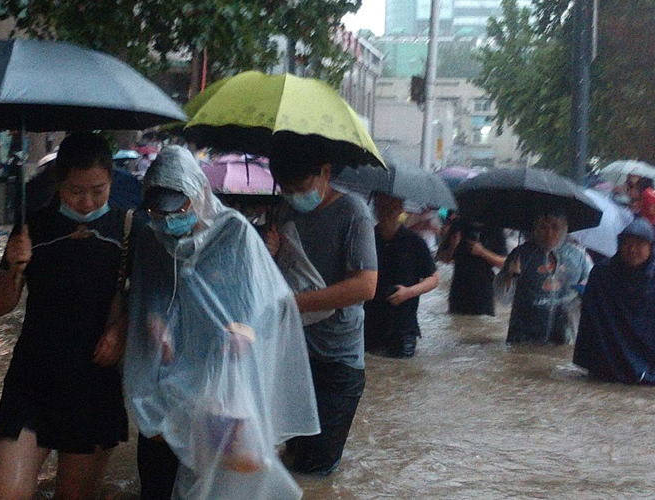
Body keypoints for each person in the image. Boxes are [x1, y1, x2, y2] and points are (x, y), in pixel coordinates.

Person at [124, 146, 318, 500]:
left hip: (219, 383)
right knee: (157, 480)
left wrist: (243, 331)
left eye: (178, 209)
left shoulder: (235, 234)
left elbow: (263, 299)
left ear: (199, 194)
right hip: (169, 379)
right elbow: (149, 292)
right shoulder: (153, 237)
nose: (168, 221)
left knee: (217, 482)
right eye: (157, 212)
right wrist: (154, 320)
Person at [0, 133, 130, 500]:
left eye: (97, 191)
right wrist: (14, 269)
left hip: (92, 381)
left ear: (112, 181)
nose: (86, 202)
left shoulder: (128, 230)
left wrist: (120, 331)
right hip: (32, 376)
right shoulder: (32, 228)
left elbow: (146, 298)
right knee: (7, 493)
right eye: (75, 190)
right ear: (58, 183)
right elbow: (0, 306)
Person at [264, 151, 377, 476]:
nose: (294, 195)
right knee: (290, 458)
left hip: (337, 363)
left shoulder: (353, 212)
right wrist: (270, 251)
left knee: (315, 472)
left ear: (326, 171)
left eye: (300, 186)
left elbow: (366, 285)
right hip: (293, 355)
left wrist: (299, 303)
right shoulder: (285, 210)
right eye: (285, 187)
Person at [573, 219, 655, 386]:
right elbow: (590, 322)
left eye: (639, 244)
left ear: (651, 247)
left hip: (651, 364)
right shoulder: (602, 274)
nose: (632, 250)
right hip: (609, 361)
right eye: (627, 243)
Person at [496, 213, 592, 345]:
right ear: (536, 229)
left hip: (563, 335)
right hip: (523, 335)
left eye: (555, 227)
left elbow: (592, 292)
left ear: (564, 229)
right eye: (543, 228)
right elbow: (502, 297)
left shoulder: (578, 257)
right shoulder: (521, 255)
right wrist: (510, 276)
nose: (549, 233)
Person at [364, 193, 440, 358]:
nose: (385, 211)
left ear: (400, 208)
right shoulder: (365, 238)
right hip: (369, 323)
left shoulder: (414, 242)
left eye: (390, 206)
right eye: (380, 205)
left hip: (403, 327)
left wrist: (408, 292)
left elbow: (433, 279)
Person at [437, 217, 507, 316]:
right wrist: (453, 246)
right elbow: (443, 258)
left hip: (483, 291)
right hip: (459, 290)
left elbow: (504, 263)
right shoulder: (459, 225)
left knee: (483, 326)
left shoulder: (495, 229)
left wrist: (482, 252)